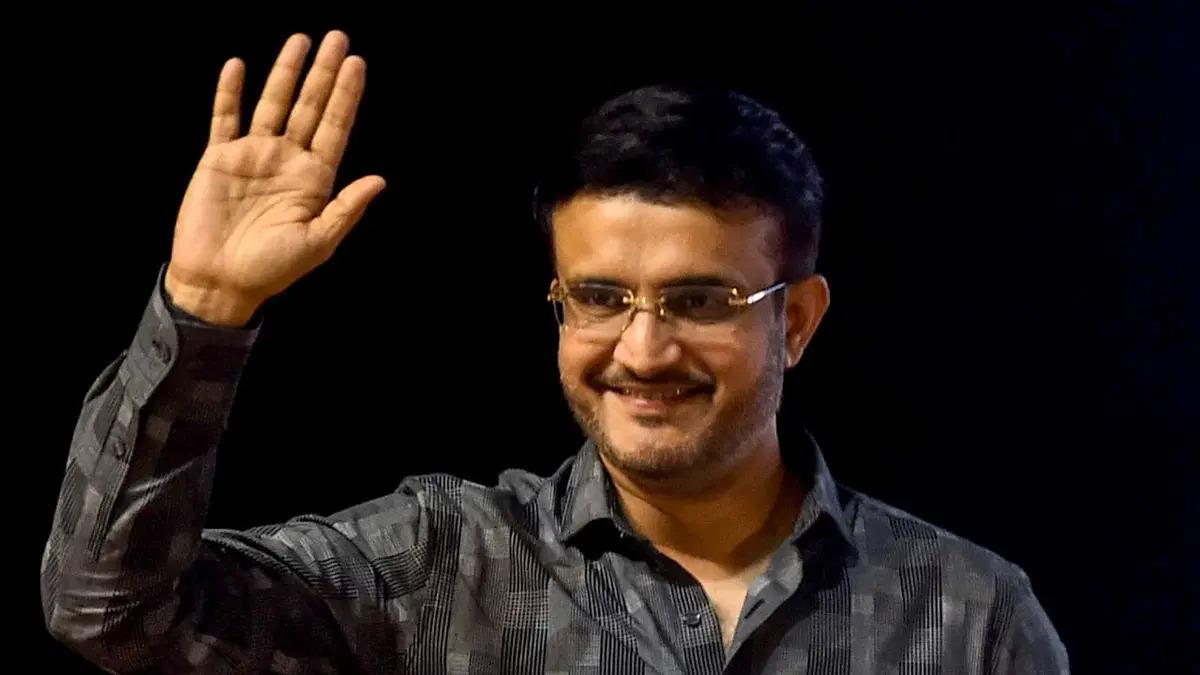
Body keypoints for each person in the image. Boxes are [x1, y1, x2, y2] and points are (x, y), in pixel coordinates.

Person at [41, 29, 1069, 674]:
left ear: (795, 319)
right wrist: (204, 310)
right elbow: (110, 613)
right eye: (601, 298)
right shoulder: (441, 563)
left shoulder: (968, 613)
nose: (643, 349)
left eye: (699, 300)